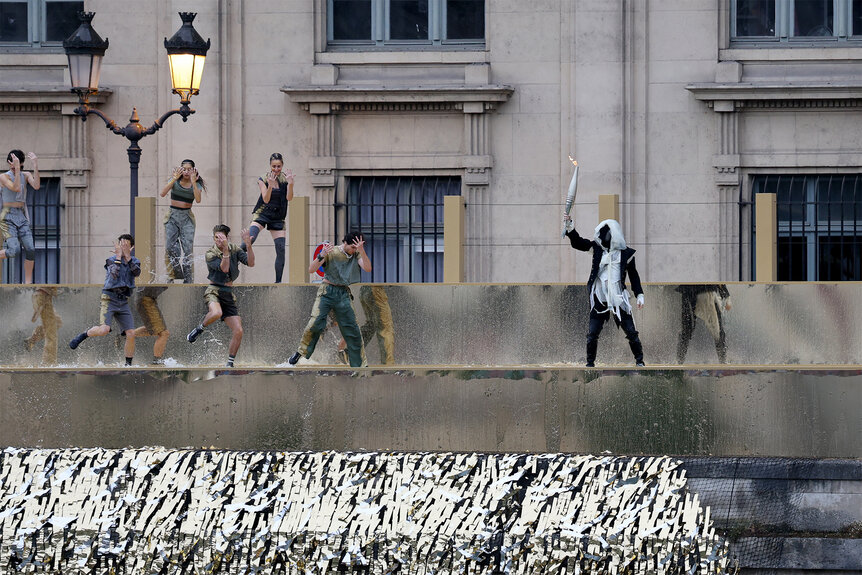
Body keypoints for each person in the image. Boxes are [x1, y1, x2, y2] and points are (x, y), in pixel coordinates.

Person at [564, 215, 645, 367]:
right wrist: (570, 227)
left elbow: (634, 276)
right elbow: (578, 243)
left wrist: (639, 294)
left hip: (618, 297)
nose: (603, 238)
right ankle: (590, 363)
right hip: (599, 297)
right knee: (592, 334)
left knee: (631, 332)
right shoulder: (596, 249)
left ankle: (639, 361)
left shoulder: (625, 254)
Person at [288, 231, 371, 368]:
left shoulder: (356, 254)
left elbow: (368, 268)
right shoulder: (332, 252)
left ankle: (360, 364)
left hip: (343, 293)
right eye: (352, 247)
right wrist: (322, 255)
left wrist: (361, 251)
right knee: (315, 322)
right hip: (327, 291)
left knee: (353, 328)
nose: (354, 250)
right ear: (345, 243)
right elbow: (311, 269)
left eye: (357, 247)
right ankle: (299, 353)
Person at [186, 224, 255, 367]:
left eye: (221, 237)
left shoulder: (235, 249)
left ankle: (230, 362)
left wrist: (248, 246)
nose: (218, 240)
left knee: (239, 330)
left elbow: (251, 263)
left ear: (227, 238)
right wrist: (225, 251)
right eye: (216, 238)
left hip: (228, 294)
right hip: (214, 290)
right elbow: (224, 268)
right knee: (217, 312)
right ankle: (200, 328)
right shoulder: (210, 253)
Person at [69, 234, 141, 366]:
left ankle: (128, 364)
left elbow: (136, 272)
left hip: (123, 300)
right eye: (121, 245)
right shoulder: (111, 260)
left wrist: (128, 258)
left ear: (131, 247)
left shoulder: (134, 261)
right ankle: (84, 334)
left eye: (126, 245)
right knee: (104, 330)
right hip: (109, 298)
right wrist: (119, 257)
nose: (123, 247)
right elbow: (113, 274)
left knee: (131, 333)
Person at [241, 153, 294, 283]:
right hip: (263, 213)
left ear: (282, 165)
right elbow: (265, 199)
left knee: (281, 248)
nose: (276, 169)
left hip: (278, 216)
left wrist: (291, 184)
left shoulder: (284, 179)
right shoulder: (263, 178)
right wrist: (270, 185)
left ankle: (278, 282)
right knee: (250, 239)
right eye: (274, 166)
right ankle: (229, 256)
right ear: (270, 166)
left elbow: (289, 198)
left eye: (279, 166)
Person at [159, 159, 205, 283]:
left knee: (188, 249)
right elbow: (162, 193)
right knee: (169, 246)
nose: (186, 171)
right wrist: (174, 179)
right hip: (172, 216)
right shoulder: (175, 181)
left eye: (189, 169)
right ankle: (173, 274)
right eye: (184, 169)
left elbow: (198, 199)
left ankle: (188, 279)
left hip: (187, 218)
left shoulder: (196, 184)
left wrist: (194, 182)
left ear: (193, 170)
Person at [0, 150, 40, 283]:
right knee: (14, 250)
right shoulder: (4, 177)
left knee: (31, 249)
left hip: (21, 216)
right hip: (7, 217)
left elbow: (36, 186)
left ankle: (27, 283)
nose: (16, 168)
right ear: (8, 163)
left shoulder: (26, 174)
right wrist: (16, 169)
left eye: (20, 165)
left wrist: (35, 165)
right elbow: (16, 187)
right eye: (13, 165)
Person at [676, 284, 731, 364]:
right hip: (689, 291)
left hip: (707, 291)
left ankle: (723, 361)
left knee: (717, 330)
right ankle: (679, 362)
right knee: (687, 329)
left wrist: (726, 296)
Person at [132, 285, 170, 365]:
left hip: (147, 299)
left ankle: (126, 335)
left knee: (153, 330)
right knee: (163, 333)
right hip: (145, 299)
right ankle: (156, 362)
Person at [25, 286, 62, 365]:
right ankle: (49, 363)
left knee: (58, 322)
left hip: (45, 297)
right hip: (42, 296)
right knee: (51, 335)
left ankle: (32, 340)